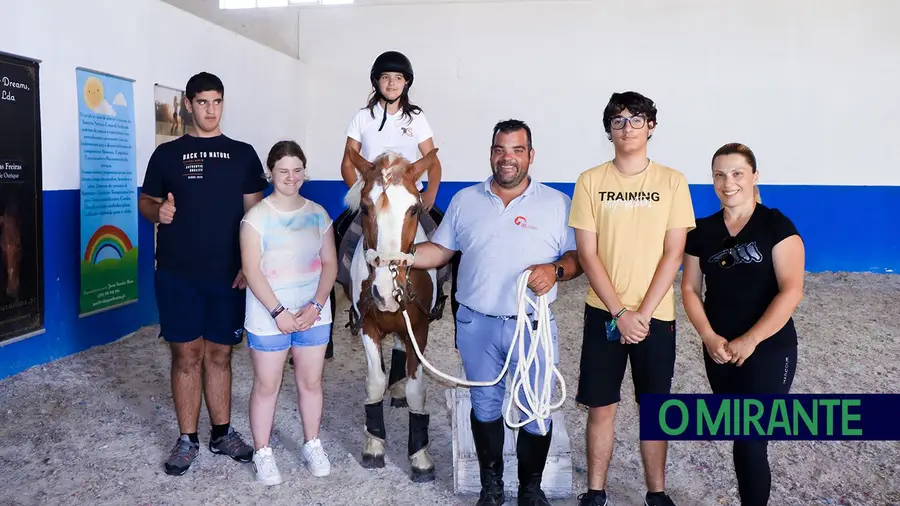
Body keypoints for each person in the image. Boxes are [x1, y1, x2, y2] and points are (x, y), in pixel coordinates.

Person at [412, 119, 581, 506]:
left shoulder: (556, 204)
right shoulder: (464, 202)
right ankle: (491, 488)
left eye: (517, 150)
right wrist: (401, 257)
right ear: (491, 153)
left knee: (536, 410)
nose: (508, 158)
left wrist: (554, 271)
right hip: (477, 324)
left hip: (532, 326)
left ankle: (530, 489)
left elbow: (576, 260)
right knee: (485, 406)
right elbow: (440, 252)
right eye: (500, 150)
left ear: (530, 156)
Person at [568, 91, 696, 506]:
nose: (628, 128)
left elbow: (674, 253)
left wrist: (640, 314)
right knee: (601, 407)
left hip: (655, 316)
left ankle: (656, 493)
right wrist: (620, 312)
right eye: (619, 120)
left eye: (636, 119)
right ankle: (596, 491)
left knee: (655, 409)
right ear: (609, 130)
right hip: (603, 312)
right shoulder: (590, 181)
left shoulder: (672, 181)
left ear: (651, 127)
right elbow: (587, 254)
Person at [139, 72, 262, 476]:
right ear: (188, 105)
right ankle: (187, 438)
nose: (210, 110)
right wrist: (158, 212)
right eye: (203, 102)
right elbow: (145, 200)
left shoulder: (244, 154)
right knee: (186, 354)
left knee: (220, 354)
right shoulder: (167, 155)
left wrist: (249, 264)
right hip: (177, 274)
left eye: (217, 101)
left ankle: (222, 433)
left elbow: (255, 217)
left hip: (228, 275)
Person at [331, 49, 460, 398]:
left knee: (448, 241)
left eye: (398, 78)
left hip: (407, 199)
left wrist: (429, 195)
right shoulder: (363, 117)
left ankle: (440, 300)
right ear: (377, 82)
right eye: (386, 78)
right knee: (337, 236)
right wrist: (362, 194)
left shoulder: (417, 118)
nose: (392, 83)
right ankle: (349, 304)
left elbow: (433, 162)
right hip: (373, 197)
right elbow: (348, 162)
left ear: (406, 83)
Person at [681, 143, 804, 505]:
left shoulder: (776, 226)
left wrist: (751, 339)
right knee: (741, 434)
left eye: (737, 174)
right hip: (720, 351)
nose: (727, 182)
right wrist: (707, 336)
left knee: (751, 438)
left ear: (754, 177)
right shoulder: (701, 232)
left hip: (769, 348)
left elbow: (791, 291)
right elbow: (689, 288)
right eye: (719, 175)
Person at [239, 140, 337, 485]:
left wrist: (316, 306)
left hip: (313, 315)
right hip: (269, 316)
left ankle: (312, 443)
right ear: (270, 173)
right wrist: (278, 311)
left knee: (310, 382)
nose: (290, 177)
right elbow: (251, 270)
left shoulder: (318, 214)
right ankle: (263, 452)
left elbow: (329, 264)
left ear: (305, 173)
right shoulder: (256, 218)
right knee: (267, 385)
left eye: (297, 170)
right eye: (283, 171)